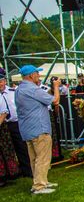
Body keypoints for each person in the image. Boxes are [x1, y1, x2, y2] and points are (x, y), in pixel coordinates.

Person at [15, 65, 60, 194]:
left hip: (27, 128)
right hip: (39, 128)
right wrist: (56, 86)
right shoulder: (32, 89)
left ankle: (41, 181)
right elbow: (55, 101)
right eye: (37, 73)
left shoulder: (20, 89)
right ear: (31, 75)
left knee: (34, 158)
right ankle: (39, 186)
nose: (38, 75)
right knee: (42, 158)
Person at [1, 72, 32, 178]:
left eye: (1, 81)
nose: (0, 84)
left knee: (21, 147)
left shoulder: (13, 92)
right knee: (7, 150)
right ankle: (12, 171)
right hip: (3, 125)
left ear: (5, 81)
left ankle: (27, 170)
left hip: (15, 122)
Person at [0, 93, 18, 187]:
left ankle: (9, 174)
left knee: (6, 151)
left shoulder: (0, 97)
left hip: (1, 126)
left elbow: (4, 112)